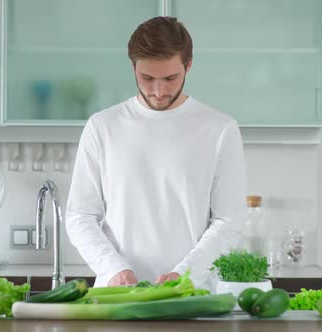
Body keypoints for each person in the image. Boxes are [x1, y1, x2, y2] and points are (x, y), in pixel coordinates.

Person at [65, 16, 246, 289]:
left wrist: (184, 274)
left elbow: (228, 221)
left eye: (170, 78)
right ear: (133, 66)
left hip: (191, 295)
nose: (159, 91)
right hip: (117, 296)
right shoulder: (102, 126)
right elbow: (80, 215)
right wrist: (114, 268)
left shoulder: (220, 129)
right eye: (147, 78)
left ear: (189, 65)